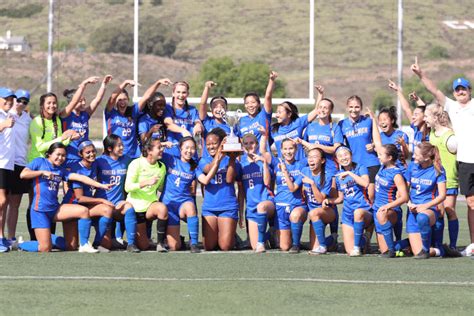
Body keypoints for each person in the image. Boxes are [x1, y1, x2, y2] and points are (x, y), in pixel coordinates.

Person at [411, 57, 474, 256]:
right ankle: (470, 245)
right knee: (470, 204)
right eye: (457, 89)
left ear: (470, 90)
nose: (461, 91)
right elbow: (434, 91)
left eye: (464, 88)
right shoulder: (451, 106)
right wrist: (421, 75)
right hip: (464, 162)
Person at [18, 143, 111, 253]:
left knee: (83, 212)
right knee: (45, 248)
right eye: (58, 154)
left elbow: (80, 177)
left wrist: (101, 185)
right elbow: (23, 174)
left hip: (55, 209)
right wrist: (42, 172)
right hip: (40, 211)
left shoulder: (60, 170)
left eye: (63, 155)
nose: (61, 158)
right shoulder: (40, 162)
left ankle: (84, 245)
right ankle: (21, 244)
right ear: (49, 154)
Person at [26, 92, 81, 240]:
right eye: (49, 103)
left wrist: (70, 138)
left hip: (53, 163)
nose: (52, 105)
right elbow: (40, 146)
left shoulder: (57, 120)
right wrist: (62, 137)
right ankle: (34, 238)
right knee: (35, 203)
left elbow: (59, 145)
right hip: (38, 164)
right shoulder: (36, 122)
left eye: (54, 103)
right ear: (42, 105)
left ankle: (50, 236)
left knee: (52, 199)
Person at [161, 136, 221, 253]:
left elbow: (204, 180)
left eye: (192, 148)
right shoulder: (170, 159)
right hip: (168, 205)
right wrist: (163, 144)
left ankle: (194, 243)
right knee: (174, 247)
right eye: (186, 148)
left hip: (183, 204)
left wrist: (216, 164)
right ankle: (179, 240)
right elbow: (150, 150)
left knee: (190, 206)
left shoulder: (194, 167)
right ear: (180, 148)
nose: (189, 151)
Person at [62, 141, 114, 252]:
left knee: (107, 209)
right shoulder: (77, 168)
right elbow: (79, 198)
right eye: (88, 152)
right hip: (72, 206)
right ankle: (43, 240)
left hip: (86, 207)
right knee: (70, 246)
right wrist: (101, 200)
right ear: (80, 154)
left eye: (93, 151)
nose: (91, 154)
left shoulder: (95, 164)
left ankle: (96, 243)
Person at [323, 146, 372, 257]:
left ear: (351, 155)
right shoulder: (338, 176)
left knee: (358, 213)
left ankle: (361, 241)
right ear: (336, 159)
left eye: (346, 154)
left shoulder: (360, 167)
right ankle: (364, 239)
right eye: (340, 156)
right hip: (348, 214)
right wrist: (329, 201)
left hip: (363, 209)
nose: (344, 157)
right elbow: (340, 198)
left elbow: (365, 183)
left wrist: (350, 173)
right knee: (350, 251)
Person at [94, 134, 139, 253]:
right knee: (107, 245)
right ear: (109, 148)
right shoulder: (99, 161)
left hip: (118, 204)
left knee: (129, 207)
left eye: (122, 145)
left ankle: (131, 243)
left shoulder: (126, 160)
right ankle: (98, 241)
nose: (122, 148)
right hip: (102, 205)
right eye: (119, 145)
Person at [106, 78, 172, 159]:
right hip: (116, 155)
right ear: (116, 102)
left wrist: (158, 83)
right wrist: (125, 83)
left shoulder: (133, 112)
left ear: (128, 100)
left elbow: (146, 96)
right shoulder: (111, 113)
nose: (122, 102)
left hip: (133, 156)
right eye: (119, 100)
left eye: (125, 99)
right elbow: (112, 97)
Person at [199, 129, 241, 251]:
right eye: (208, 144)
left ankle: (230, 235)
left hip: (227, 206)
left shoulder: (229, 159)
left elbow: (229, 180)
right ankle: (224, 233)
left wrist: (232, 158)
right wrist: (219, 156)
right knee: (209, 246)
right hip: (210, 208)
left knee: (225, 246)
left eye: (214, 143)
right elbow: (208, 169)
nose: (211, 146)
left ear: (220, 144)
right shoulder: (203, 160)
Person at [424, 103, 459, 250]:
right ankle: (437, 245)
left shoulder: (450, 137)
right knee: (438, 212)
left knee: (449, 210)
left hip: (449, 180)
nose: (424, 118)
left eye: (426, 116)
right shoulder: (431, 133)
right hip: (435, 181)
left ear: (435, 117)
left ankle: (452, 246)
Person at [404, 142, 447, 259]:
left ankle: (426, 250)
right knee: (416, 252)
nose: (414, 156)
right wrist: (409, 203)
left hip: (430, 209)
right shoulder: (412, 166)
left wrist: (425, 206)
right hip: (412, 210)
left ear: (427, 157)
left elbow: (442, 195)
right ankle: (439, 250)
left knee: (422, 217)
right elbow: (403, 191)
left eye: (417, 155)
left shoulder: (438, 169)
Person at [125, 137, 168, 252]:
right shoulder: (136, 164)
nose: (162, 149)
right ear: (149, 151)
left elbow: (160, 187)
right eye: (159, 147)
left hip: (150, 207)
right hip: (136, 209)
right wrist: (145, 183)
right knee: (144, 246)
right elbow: (128, 187)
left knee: (162, 208)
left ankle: (160, 243)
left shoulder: (162, 167)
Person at [61, 75, 112, 167]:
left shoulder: (85, 114)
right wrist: (84, 83)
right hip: (70, 158)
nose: (84, 103)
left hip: (84, 158)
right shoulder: (66, 114)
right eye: (80, 101)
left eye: (84, 100)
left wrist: (104, 85)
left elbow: (97, 100)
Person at [336, 96, 380, 202]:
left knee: (371, 195)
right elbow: (339, 146)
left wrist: (373, 145)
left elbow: (378, 142)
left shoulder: (368, 121)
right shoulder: (342, 124)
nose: (354, 110)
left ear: (361, 108)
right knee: (358, 195)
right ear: (347, 108)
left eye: (357, 107)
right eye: (351, 107)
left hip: (371, 162)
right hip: (354, 165)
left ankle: (374, 218)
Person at [268, 138, 307, 253]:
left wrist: (285, 171)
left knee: (295, 216)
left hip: (297, 205)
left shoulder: (302, 165)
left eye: (291, 148)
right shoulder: (276, 163)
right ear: (281, 150)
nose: (288, 151)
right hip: (280, 206)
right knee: (284, 247)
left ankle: (296, 244)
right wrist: (264, 135)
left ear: (296, 149)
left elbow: (293, 188)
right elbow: (265, 153)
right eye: (285, 149)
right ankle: (271, 234)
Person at [239, 133, 275, 253]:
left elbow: (267, 182)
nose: (249, 146)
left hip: (266, 202)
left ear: (257, 144)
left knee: (261, 207)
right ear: (243, 147)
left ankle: (263, 240)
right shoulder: (241, 165)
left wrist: (264, 163)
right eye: (246, 143)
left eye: (252, 143)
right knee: (254, 247)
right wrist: (241, 215)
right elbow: (241, 192)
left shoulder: (263, 161)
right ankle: (269, 234)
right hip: (251, 208)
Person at [6, 89, 32, 249]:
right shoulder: (5, 114)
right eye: (19, 100)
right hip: (5, 163)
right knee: (2, 202)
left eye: (25, 101)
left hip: (21, 164)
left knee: (15, 203)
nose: (21, 103)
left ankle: (11, 238)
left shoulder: (28, 118)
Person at [372, 144, 408, 258]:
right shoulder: (382, 166)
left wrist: (387, 206)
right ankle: (409, 242)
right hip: (377, 209)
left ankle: (394, 250)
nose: (378, 156)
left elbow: (404, 197)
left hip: (390, 211)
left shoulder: (396, 174)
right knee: (383, 250)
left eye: (381, 154)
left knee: (388, 250)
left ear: (389, 158)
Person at [301, 148, 335, 255]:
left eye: (315, 157)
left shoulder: (327, 175)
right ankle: (331, 240)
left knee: (313, 213)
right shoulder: (305, 171)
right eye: (309, 157)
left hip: (326, 211)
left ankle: (323, 246)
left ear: (322, 161)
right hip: (313, 213)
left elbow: (320, 200)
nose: (311, 159)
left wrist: (312, 184)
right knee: (313, 246)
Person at [271, 87, 319, 162]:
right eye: (276, 112)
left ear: (289, 114)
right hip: (284, 169)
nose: (277, 115)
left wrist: (320, 94)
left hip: (300, 166)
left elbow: (316, 111)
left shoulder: (298, 123)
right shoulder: (273, 129)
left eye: (279, 112)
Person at [388, 79, 429, 160]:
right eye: (413, 114)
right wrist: (397, 91)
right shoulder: (416, 128)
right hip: (414, 167)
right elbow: (407, 109)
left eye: (416, 115)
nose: (413, 117)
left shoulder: (430, 133)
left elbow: (427, 110)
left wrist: (418, 100)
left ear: (425, 117)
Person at [163, 81, 203, 157]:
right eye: (178, 92)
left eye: (184, 92)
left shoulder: (192, 110)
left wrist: (198, 125)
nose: (181, 95)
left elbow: (197, 121)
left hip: (189, 153)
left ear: (187, 94)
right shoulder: (167, 108)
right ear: (173, 93)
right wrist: (183, 131)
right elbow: (169, 125)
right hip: (172, 153)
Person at [237, 71, 277, 143]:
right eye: (247, 103)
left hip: (262, 153)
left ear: (259, 104)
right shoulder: (241, 121)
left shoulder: (264, 115)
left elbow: (268, 97)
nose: (250, 105)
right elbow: (238, 140)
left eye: (253, 102)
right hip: (247, 154)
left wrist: (271, 80)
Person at [198, 82, 235, 157]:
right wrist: (207, 88)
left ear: (226, 109)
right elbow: (202, 104)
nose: (219, 109)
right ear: (211, 109)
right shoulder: (207, 122)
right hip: (208, 162)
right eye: (215, 107)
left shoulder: (231, 125)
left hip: (225, 162)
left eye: (222, 107)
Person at [0, 87, 16, 252]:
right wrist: (3, 125)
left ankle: (1, 237)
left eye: (11, 99)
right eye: (5, 98)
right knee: (1, 201)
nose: (9, 101)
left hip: (7, 165)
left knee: (5, 203)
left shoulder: (8, 115)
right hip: (0, 164)